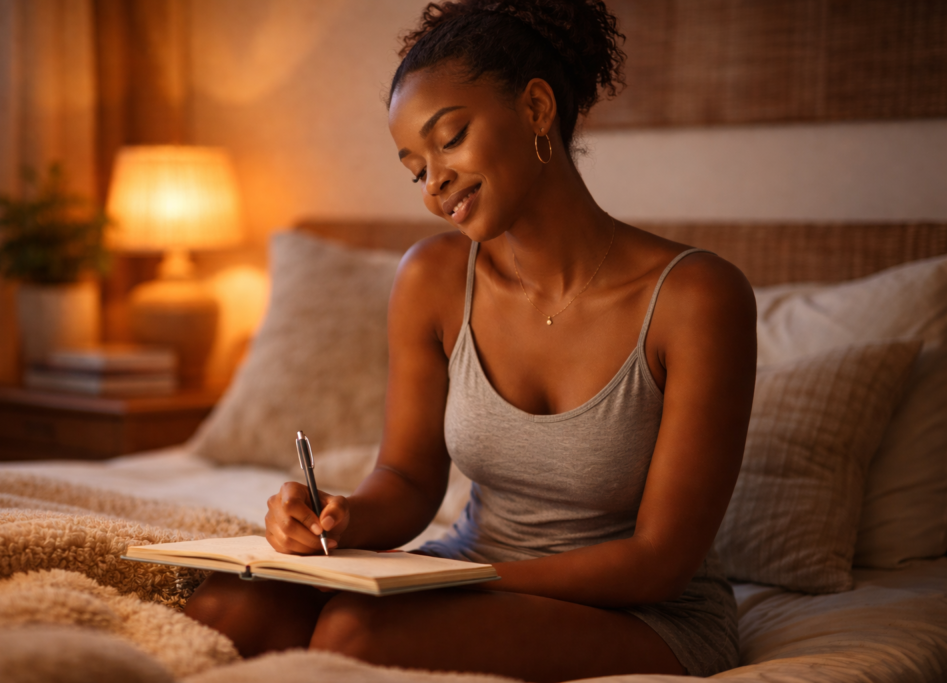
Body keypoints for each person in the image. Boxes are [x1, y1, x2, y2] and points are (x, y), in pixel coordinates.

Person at [184, 1, 757, 680]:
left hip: (644, 612)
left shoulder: (697, 298)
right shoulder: (431, 278)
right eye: (415, 168)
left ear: (537, 109)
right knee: (231, 605)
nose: (435, 185)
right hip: (469, 572)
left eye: (450, 138)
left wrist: (467, 583)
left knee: (356, 631)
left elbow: (660, 560)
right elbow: (408, 479)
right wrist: (339, 518)